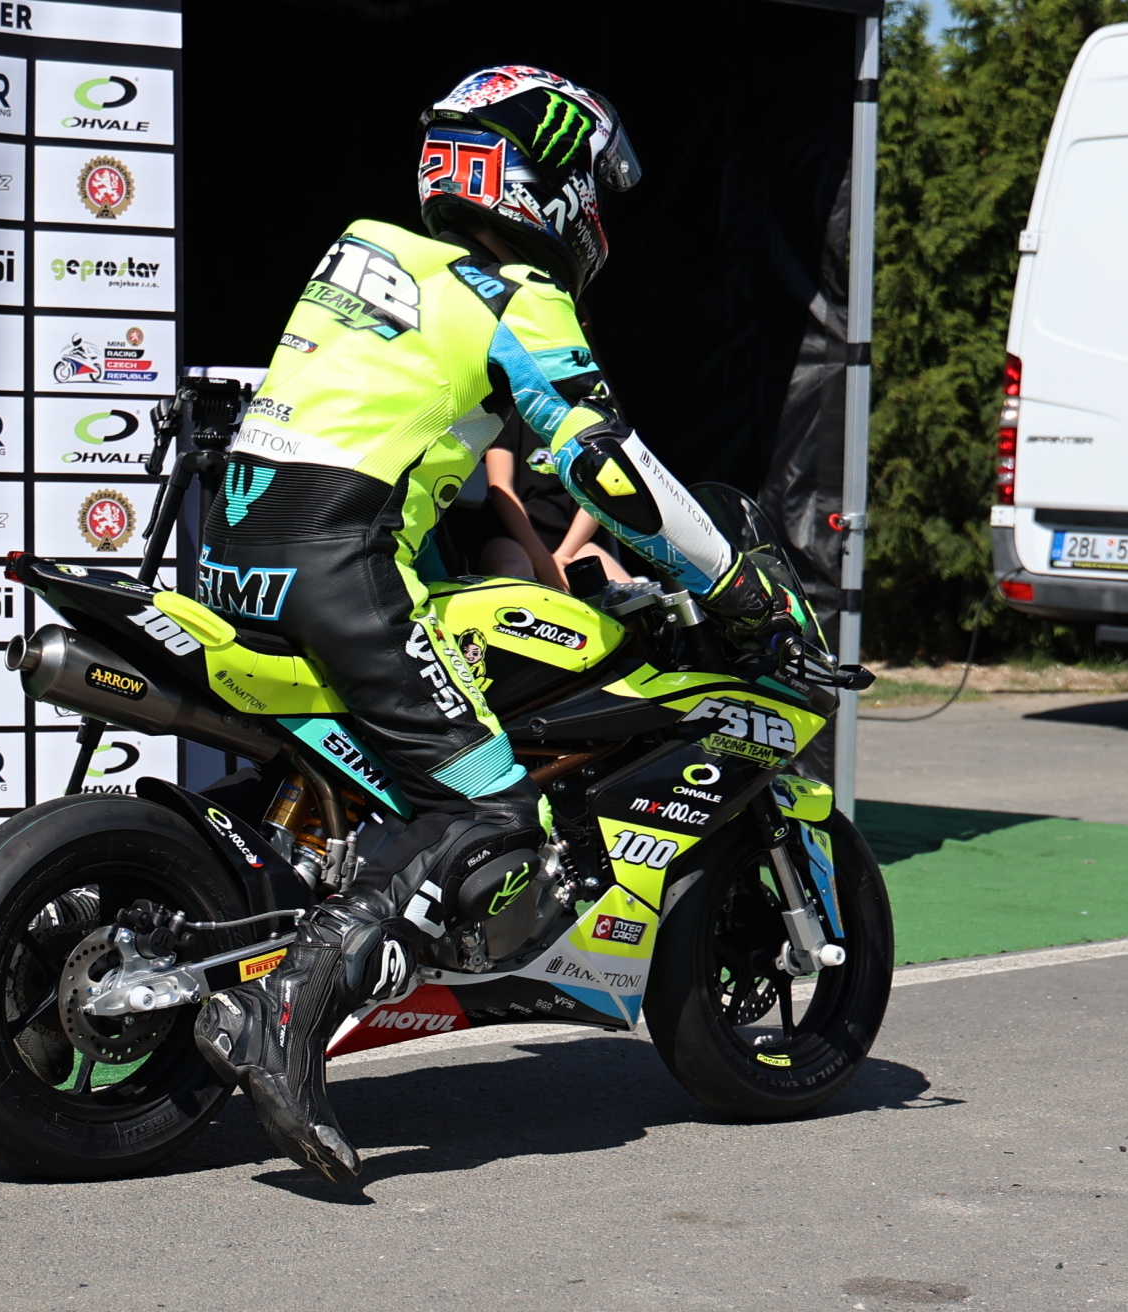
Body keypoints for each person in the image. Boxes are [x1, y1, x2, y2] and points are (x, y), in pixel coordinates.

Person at [191, 66, 808, 1182]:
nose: (598, 215)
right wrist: (733, 582)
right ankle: (289, 1015)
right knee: (493, 809)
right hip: (341, 566)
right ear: (551, 182)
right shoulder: (513, 297)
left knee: (388, 771)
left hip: (235, 560)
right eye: (592, 188)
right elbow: (603, 464)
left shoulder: (361, 252)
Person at [451, 414, 630, 589]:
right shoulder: (509, 416)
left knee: (623, 590)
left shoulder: (590, 419)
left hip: (572, 541)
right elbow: (500, 488)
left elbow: (598, 497)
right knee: (513, 572)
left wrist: (561, 557)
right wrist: (541, 560)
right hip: (511, 536)